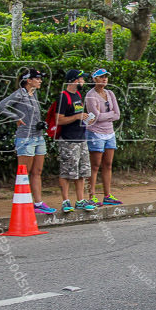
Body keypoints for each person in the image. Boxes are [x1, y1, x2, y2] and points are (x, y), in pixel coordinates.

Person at [0, 68, 56, 214]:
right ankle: (23, 203)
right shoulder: (20, 93)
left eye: (41, 78)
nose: (40, 81)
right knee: (24, 172)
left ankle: (38, 203)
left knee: (37, 171)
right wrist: (15, 117)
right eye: (37, 78)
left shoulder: (33, 94)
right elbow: (0, 106)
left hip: (38, 136)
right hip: (25, 138)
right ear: (29, 80)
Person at [56, 69, 95, 212]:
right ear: (74, 80)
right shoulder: (63, 97)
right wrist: (76, 117)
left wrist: (86, 118)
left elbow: (79, 115)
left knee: (82, 171)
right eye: (81, 79)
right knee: (66, 171)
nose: (83, 82)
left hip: (81, 138)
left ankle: (80, 200)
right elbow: (58, 119)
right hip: (68, 140)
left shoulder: (78, 95)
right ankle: (65, 201)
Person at [84, 68, 122, 206]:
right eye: (101, 77)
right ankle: (92, 196)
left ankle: (107, 195)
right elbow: (96, 117)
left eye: (106, 76)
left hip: (110, 133)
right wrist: (109, 115)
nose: (104, 79)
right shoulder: (90, 95)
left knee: (108, 164)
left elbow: (117, 115)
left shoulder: (110, 93)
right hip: (95, 133)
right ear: (94, 79)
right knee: (95, 165)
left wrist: (106, 115)